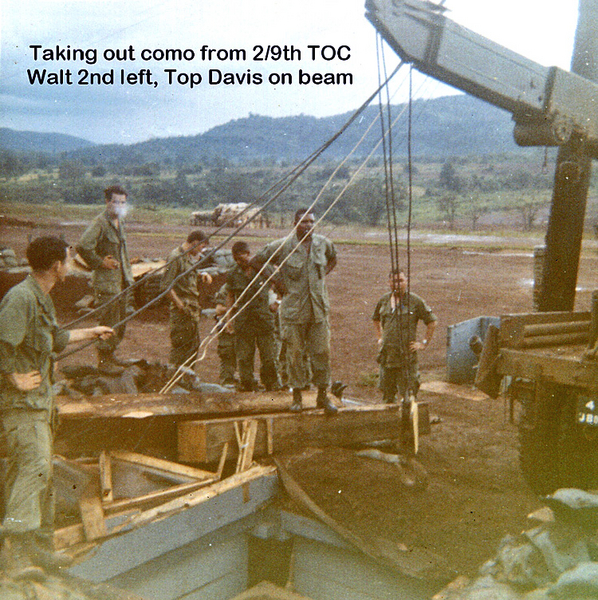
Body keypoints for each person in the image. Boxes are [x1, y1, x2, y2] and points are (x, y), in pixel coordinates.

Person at [0, 236, 113, 578]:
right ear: (55, 266)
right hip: (22, 405)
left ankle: (38, 549)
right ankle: (16, 554)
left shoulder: (41, 298)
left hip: (40, 405)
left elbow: (56, 339)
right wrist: (13, 377)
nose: (70, 264)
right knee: (33, 468)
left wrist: (91, 332)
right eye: (67, 259)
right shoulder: (21, 298)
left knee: (38, 473)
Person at [252, 208, 338, 413]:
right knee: (295, 354)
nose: (308, 226)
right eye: (304, 222)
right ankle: (297, 397)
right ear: (295, 224)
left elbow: (333, 258)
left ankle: (322, 397)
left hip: (318, 309)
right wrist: (276, 281)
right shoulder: (283, 246)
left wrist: (322, 275)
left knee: (322, 353)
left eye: (311, 222)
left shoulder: (322, 243)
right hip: (293, 311)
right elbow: (256, 260)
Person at [75, 185, 134, 372]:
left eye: (123, 202)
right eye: (116, 201)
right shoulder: (100, 222)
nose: (120, 205)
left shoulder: (120, 222)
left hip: (122, 281)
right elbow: (83, 246)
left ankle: (111, 355)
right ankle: (104, 361)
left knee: (120, 322)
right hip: (107, 283)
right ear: (107, 202)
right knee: (108, 322)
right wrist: (100, 262)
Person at [372, 270, 437, 404]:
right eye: (394, 281)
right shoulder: (384, 300)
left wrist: (424, 343)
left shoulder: (415, 301)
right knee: (387, 395)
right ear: (389, 283)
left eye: (401, 281)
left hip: (406, 356)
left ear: (406, 282)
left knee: (409, 395)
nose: (398, 284)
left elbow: (432, 322)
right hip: (387, 356)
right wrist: (380, 337)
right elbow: (375, 319)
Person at [226, 241, 280, 392]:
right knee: (244, 357)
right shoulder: (233, 273)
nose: (239, 263)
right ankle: (248, 385)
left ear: (249, 254)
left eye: (242, 259)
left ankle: (271, 386)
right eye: (236, 259)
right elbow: (230, 295)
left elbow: (280, 283)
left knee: (269, 356)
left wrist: (278, 302)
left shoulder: (264, 268)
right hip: (244, 321)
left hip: (264, 319)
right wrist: (229, 318)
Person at [160, 230, 213, 367]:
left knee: (192, 348)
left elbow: (186, 276)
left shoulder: (188, 258)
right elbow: (166, 286)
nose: (202, 251)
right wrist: (180, 306)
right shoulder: (176, 257)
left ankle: (187, 380)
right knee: (180, 348)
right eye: (202, 247)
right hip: (182, 312)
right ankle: (174, 382)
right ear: (195, 243)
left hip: (191, 311)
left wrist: (201, 274)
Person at [214, 283, 238, 387]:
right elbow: (218, 309)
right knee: (228, 354)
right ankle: (227, 381)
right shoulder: (226, 288)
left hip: (239, 326)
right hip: (226, 327)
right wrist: (233, 307)